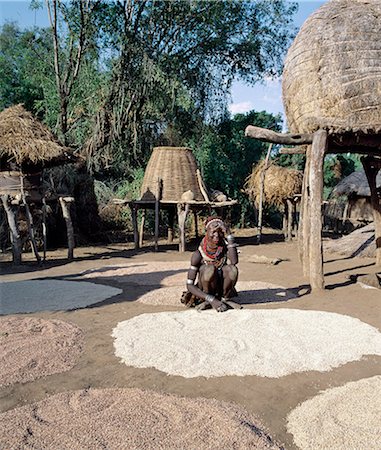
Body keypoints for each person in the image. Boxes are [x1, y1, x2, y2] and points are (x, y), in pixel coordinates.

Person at [182, 216, 239, 312]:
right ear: (206, 232)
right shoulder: (198, 254)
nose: (216, 235)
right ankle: (207, 301)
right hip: (206, 291)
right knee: (209, 269)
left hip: (221, 287)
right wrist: (211, 300)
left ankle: (225, 298)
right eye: (213, 232)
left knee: (232, 269)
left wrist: (229, 234)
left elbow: (234, 261)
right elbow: (189, 286)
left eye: (220, 232)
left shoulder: (224, 248)